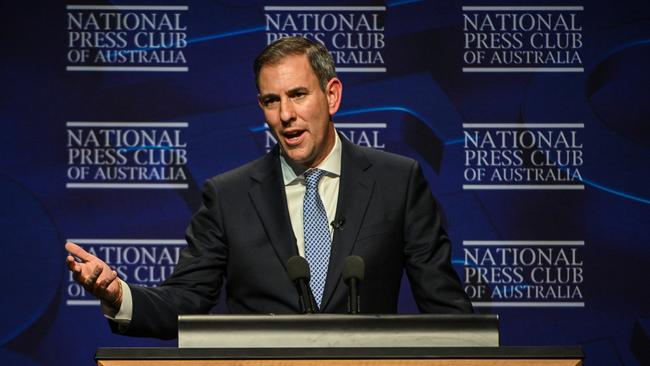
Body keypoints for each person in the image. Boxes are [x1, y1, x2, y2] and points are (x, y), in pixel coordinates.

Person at [65, 36, 472, 340]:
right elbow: (185, 300)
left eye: (298, 95)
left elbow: (447, 310)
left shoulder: (396, 181)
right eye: (271, 101)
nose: (286, 115)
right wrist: (119, 295)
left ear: (332, 95)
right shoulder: (229, 196)